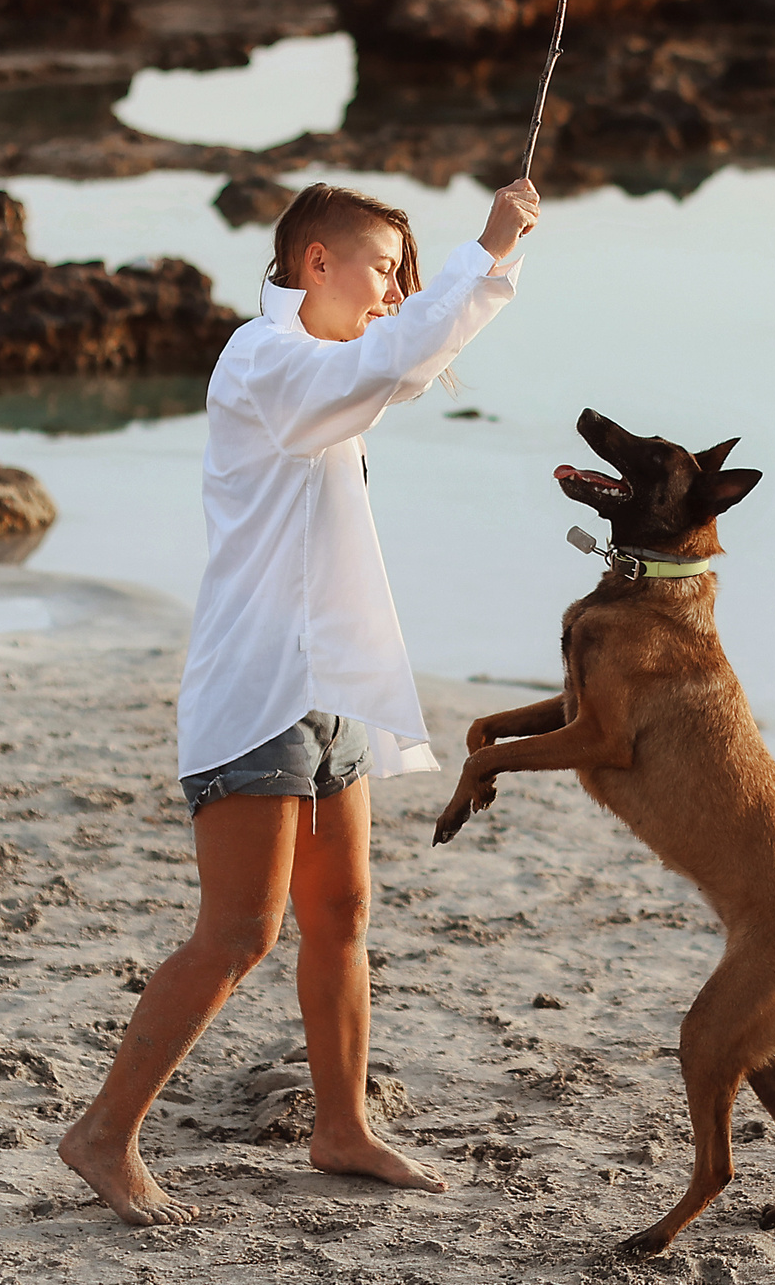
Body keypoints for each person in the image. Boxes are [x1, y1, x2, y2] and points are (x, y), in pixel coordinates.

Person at [61, 176, 540, 1224]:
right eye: (380, 267)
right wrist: (485, 249)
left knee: (342, 914)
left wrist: (488, 269)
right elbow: (396, 357)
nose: (392, 290)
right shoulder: (265, 360)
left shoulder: (324, 367)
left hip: (327, 685)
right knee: (238, 934)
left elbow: (405, 361)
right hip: (256, 686)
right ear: (312, 261)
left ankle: (341, 1128)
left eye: (403, 276)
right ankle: (103, 1134)